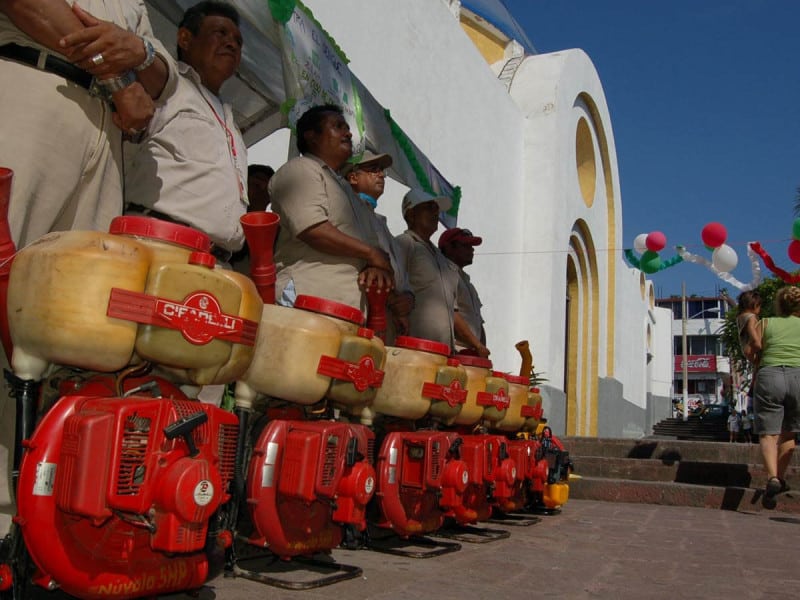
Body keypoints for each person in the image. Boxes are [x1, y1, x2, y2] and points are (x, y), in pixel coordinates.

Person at [0, 1, 170, 248]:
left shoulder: (134, 3)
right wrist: (118, 79)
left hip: (107, 132)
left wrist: (140, 50)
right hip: (34, 87)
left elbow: (162, 81)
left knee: (76, 273)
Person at [124, 1, 248, 261]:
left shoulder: (230, 121)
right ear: (185, 38)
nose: (232, 44)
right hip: (160, 245)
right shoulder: (166, 86)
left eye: (237, 40)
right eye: (220, 33)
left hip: (216, 260)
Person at [269, 104, 393, 312]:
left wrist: (375, 266)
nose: (348, 133)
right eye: (338, 126)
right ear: (312, 137)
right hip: (307, 299)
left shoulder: (346, 191)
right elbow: (313, 230)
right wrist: (370, 254)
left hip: (348, 308)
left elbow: (377, 253)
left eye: (347, 127)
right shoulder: (300, 169)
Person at [344, 150, 414, 341]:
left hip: (386, 322)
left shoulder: (381, 224)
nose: (382, 175)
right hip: (361, 315)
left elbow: (400, 276)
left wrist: (408, 299)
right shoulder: (347, 215)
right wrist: (392, 299)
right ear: (353, 177)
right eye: (373, 169)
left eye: (382, 170)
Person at [749, 286, 800, 509]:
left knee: (768, 434)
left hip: (770, 375)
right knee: (789, 432)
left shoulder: (765, 323)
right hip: (798, 374)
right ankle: (780, 476)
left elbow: (753, 351)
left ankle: (772, 478)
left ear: (779, 304)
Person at [394, 189, 456, 348]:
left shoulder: (441, 258)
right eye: (429, 207)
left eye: (437, 209)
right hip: (414, 347)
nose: (435, 213)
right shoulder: (404, 243)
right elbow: (394, 287)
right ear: (411, 214)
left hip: (443, 350)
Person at [439, 227, 490, 358]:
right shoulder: (445, 274)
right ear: (449, 247)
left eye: (472, 246)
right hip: (457, 351)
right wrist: (478, 345)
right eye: (466, 245)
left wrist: (481, 349)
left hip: (472, 352)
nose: (472, 249)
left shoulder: (466, 282)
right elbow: (453, 314)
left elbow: (478, 321)